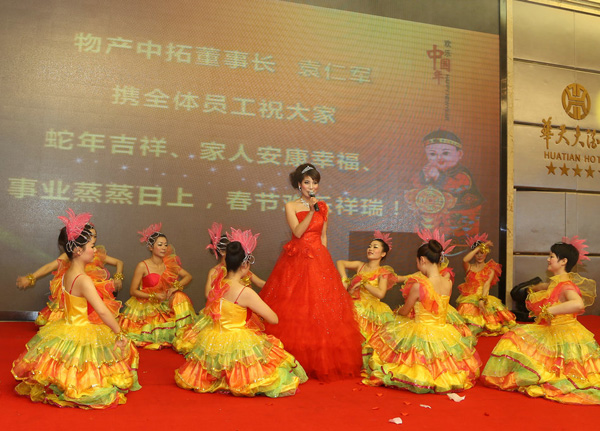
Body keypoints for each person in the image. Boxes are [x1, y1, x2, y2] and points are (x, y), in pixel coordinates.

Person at [12, 209, 140, 409]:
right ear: (79, 251)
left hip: (67, 326)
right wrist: (119, 332)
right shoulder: (84, 280)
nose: (95, 250)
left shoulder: (67, 274)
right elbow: (102, 311)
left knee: (67, 364)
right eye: (92, 246)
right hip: (81, 328)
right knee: (93, 370)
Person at [259, 163, 363, 381]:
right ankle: (293, 359)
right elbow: (297, 232)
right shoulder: (291, 206)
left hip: (318, 259)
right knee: (296, 306)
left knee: (322, 307)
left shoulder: (323, 207)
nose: (312, 186)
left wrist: (324, 259)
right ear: (299, 184)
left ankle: (321, 358)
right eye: (307, 182)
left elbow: (323, 236)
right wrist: (310, 211)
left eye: (315, 182)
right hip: (297, 259)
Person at [175, 230, 307, 397]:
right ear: (244, 265)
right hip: (237, 339)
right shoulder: (245, 292)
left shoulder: (219, 284)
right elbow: (273, 319)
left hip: (214, 338)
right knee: (274, 363)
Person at [482, 239, 600, 405]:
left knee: (516, 337)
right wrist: (537, 288)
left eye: (551, 256)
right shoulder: (556, 282)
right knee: (514, 336)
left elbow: (578, 304)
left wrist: (551, 310)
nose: (548, 259)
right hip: (551, 329)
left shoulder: (566, 285)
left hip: (564, 333)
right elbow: (548, 289)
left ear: (563, 261)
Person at [362, 240, 481, 393]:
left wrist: (398, 312)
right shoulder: (448, 282)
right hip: (443, 331)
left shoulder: (419, 286)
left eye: (417, 262)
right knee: (442, 361)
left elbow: (405, 311)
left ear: (422, 260)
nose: (417, 265)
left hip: (420, 329)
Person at [173, 223, 265, 355]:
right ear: (222, 252)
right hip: (223, 314)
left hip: (244, 313)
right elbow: (207, 294)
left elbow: (260, 282)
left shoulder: (241, 269)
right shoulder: (214, 271)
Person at [17, 224, 123, 326]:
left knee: (97, 313)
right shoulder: (73, 254)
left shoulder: (96, 253)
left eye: (95, 236)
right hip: (75, 289)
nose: (93, 238)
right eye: (89, 235)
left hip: (92, 290)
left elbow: (119, 262)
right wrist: (31, 277)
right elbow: (50, 267)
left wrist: (118, 277)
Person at [119, 223, 195, 349]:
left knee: (180, 296)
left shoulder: (169, 263)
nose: (164, 248)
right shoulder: (142, 266)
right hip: (147, 303)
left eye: (165, 244)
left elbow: (188, 276)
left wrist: (175, 287)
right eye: (160, 245)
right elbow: (133, 291)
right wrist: (154, 296)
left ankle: (183, 334)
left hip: (164, 302)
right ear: (150, 247)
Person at [404, 129, 483, 241]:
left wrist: (438, 177)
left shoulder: (461, 172)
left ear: (459, 154)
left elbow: (459, 186)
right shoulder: (428, 169)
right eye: (432, 154)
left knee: (457, 235)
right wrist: (425, 177)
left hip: (460, 213)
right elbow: (414, 183)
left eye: (445, 153)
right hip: (435, 214)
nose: (439, 158)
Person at [336, 231, 399, 342]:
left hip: (371, 310)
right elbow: (340, 262)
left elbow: (381, 293)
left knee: (367, 339)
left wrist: (364, 283)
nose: (370, 249)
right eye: (369, 246)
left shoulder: (382, 272)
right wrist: (344, 279)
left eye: (375, 247)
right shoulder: (360, 265)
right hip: (354, 304)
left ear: (383, 254)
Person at [456, 233, 516, 336]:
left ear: (486, 253)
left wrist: (482, 300)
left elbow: (486, 285)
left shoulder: (490, 268)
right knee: (466, 311)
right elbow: (464, 260)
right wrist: (479, 247)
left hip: (483, 296)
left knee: (490, 317)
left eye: (482, 252)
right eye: (477, 253)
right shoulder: (469, 267)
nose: (480, 256)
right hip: (469, 298)